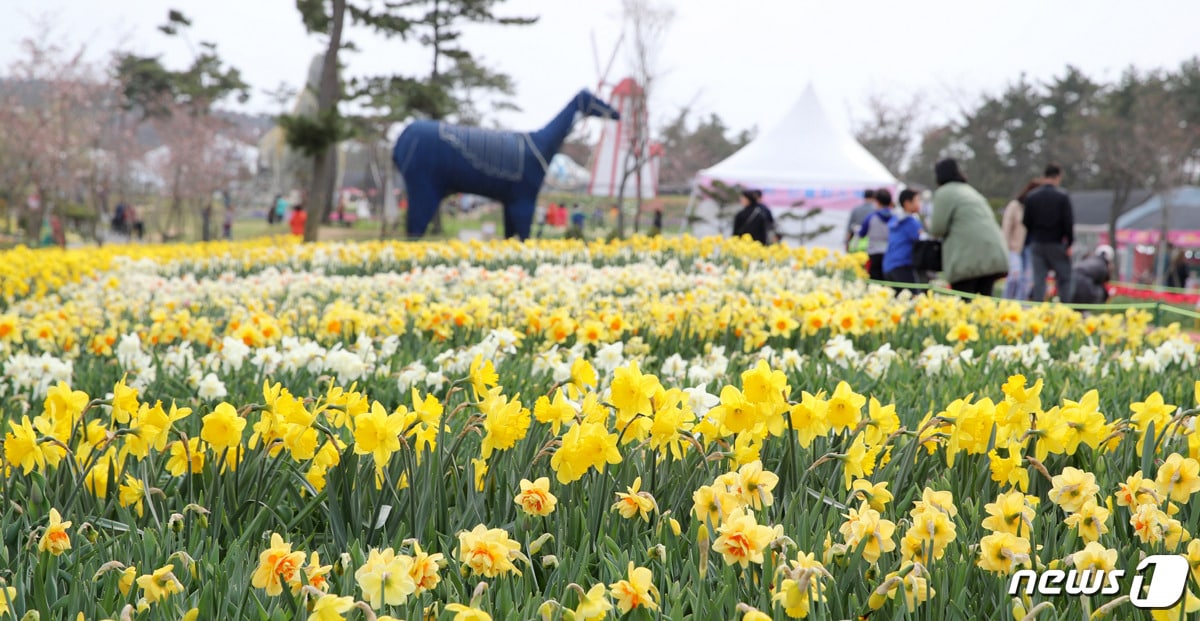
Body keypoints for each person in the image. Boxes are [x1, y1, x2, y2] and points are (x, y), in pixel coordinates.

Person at [928, 158, 1010, 296]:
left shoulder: (944, 193)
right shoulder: (970, 191)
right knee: (983, 305)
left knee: (964, 305)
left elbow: (937, 229)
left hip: (966, 259)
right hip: (992, 253)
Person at [1023, 164, 1076, 302]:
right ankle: (1064, 309)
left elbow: (1026, 221)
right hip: (1057, 243)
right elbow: (1068, 222)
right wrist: (1069, 243)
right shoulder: (1062, 197)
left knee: (1039, 279)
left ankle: (1038, 311)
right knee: (1064, 278)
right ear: (1058, 177)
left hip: (1038, 243)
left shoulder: (1032, 197)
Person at [1001, 180, 1040, 299]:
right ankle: (1005, 303)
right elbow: (1006, 227)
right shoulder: (1015, 206)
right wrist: (1004, 246)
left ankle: (1020, 307)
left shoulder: (1038, 209)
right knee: (1015, 276)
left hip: (1029, 248)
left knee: (1026, 281)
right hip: (1014, 247)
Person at [882, 189, 926, 295]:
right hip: (902, 265)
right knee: (912, 299)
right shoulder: (910, 222)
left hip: (888, 265)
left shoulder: (895, 220)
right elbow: (922, 239)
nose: (919, 204)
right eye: (917, 200)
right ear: (907, 203)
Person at [857, 188, 896, 280]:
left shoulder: (871, 217)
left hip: (873, 254)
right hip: (890, 254)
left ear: (877, 201)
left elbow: (862, 233)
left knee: (874, 281)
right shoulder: (895, 218)